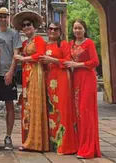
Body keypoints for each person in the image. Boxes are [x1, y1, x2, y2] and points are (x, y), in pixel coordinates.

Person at [39, 21, 78, 155]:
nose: (53, 31)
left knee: (63, 109)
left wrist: (52, 60)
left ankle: (66, 145)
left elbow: (67, 61)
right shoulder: (44, 45)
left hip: (62, 79)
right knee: (51, 110)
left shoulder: (64, 44)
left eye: (56, 29)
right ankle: (53, 143)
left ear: (60, 32)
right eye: (50, 29)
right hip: (49, 79)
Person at [13, 11, 49, 152]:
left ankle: (37, 142)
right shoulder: (24, 42)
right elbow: (16, 54)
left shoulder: (39, 40)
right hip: (26, 74)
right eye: (24, 25)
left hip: (36, 73)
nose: (26, 27)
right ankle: (28, 140)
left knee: (35, 105)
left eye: (29, 25)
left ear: (34, 27)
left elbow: (40, 54)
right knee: (27, 106)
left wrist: (24, 59)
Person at [66, 19, 101, 159]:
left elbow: (95, 62)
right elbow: (66, 60)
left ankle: (88, 149)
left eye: (79, 28)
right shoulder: (71, 44)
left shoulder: (89, 43)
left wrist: (77, 64)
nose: (77, 31)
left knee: (85, 111)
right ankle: (80, 145)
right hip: (76, 79)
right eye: (75, 28)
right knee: (77, 113)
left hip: (87, 78)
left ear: (84, 29)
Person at [0, 7, 21, 150]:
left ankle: (8, 136)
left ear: (9, 18)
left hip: (7, 73)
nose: (2, 19)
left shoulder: (14, 34)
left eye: (5, 16)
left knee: (9, 105)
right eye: (0, 16)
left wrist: (11, 72)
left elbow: (16, 54)